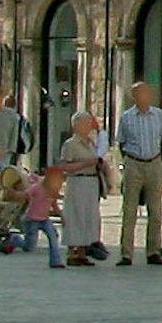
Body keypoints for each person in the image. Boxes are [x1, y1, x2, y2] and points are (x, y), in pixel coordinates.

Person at [112, 82, 162, 265]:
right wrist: (128, 162)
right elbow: (121, 142)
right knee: (129, 211)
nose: (146, 96)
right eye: (141, 93)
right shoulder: (127, 117)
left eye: (147, 93)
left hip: (154, 162)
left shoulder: (159, 115)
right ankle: (126, 253)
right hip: (134, 163)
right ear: (134, 97)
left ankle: (153, 251)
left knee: (155, 211)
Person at [57, 113, 111, 266]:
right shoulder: (70, 144)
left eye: (89, 123)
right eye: (85, 123)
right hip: (77, 181)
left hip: (91, 182)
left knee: (89, 217)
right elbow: (64, 167)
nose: (89, 126)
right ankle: (72, 252)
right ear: (76, 125)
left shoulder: (91, 143)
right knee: (75, 216)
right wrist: (86, 163)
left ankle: (83, 251)